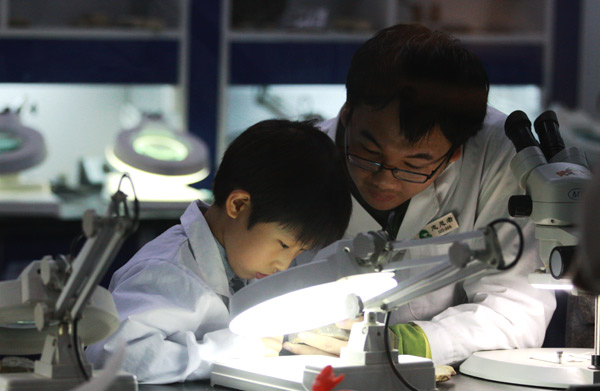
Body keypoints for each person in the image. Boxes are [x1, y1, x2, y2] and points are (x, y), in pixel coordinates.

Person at [282, 23, 556, 367]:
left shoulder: (496, 156)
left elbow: (515, 310)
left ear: (453, 154)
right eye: (370, 153)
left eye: (414, 165)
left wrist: (409, 343)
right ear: (347, 114)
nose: (384, 181)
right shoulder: (298, 162)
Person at [85, 119, 352, 384]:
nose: (283, 264)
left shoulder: (240, 257)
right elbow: (113, 356)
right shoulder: (166, 270)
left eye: (298, 251)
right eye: (283, 245)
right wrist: (231, 349)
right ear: (238, 205)